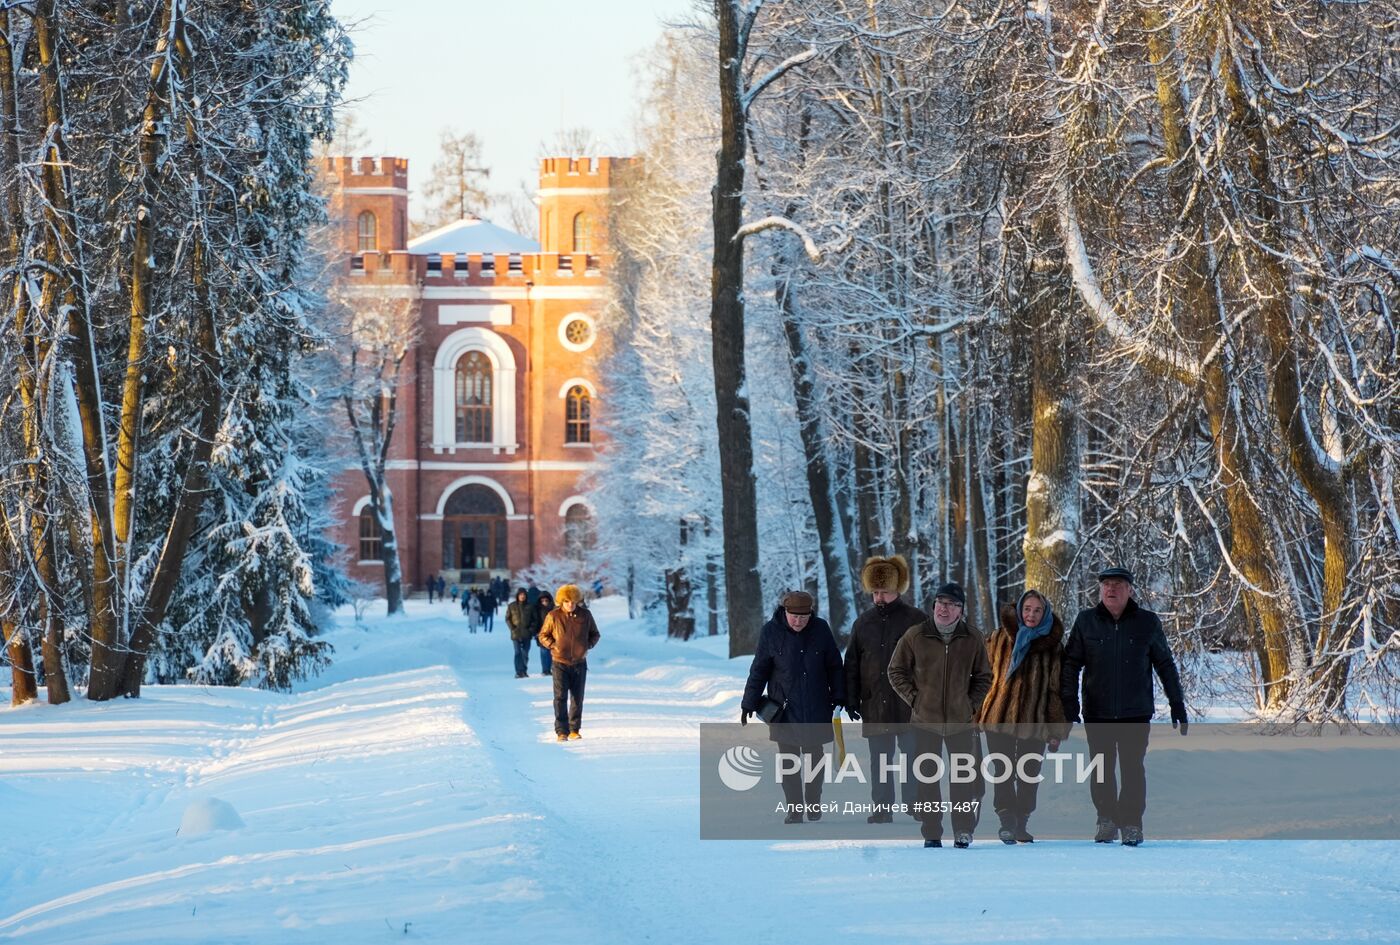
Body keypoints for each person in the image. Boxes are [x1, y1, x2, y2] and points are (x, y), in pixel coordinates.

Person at [1061, 566, 1187, 847]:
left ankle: (1131, 823)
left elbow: (1164, 664)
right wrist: (1070, 703)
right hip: (1097, 711)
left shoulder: (1147, 622)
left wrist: (1176, 702)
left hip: (1135, 712)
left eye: (1117, 584)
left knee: (1132, 769)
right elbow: (1070, 665)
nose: (1111, 589)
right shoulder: (1086, 622)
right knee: (1101, 769)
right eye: (1106, 584)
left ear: (1130, 590)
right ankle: (1106, 819)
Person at [887, 581, 993, 849]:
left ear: (960, 610)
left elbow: (984, 676)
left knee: (962, 780)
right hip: (925, 721)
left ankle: (963, 830)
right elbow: (895, 671)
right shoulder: (915, 635)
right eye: (940, 603)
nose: (944, 609)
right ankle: (931, 832)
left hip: (961, 722)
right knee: (927, 780)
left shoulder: (973, 637)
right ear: (933, 605)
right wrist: (915, 699)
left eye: (951, 604)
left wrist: (970, 705)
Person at [741, 591, 847, 825]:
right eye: (794, 616)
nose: (799, 621)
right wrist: (749, 702)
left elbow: (835, 666)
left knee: (815, 757)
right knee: (788, 760)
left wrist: (840, 696)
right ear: (784, 612)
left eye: (804, 616)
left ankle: (813, 802)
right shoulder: (771, 631)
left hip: (817, 705)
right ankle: (794, 809)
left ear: (811, 614)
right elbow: (759, 669)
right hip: (784, 709)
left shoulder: (820, 629)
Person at [976, 589, 1071, 844]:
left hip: (1034, 720)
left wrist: (1056, 730)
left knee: (1029, 771)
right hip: (999, 715)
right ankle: (1006, 821)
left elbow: (1055, 690)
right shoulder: (998, 638)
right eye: (1027, 609)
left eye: (1037, 610)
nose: (1031, 614)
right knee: (1003, 771)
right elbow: (983, 678)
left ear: (1045, 613)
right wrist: (976, 713)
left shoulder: (1053, 647)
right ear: (1019, 610)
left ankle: (1022, 821)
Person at [843, 555, 928, 823]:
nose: (880, 597)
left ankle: (914, 803)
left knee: (913, 756)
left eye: (885, 592)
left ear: (897, 590)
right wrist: (851, 698)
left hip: (910, 705)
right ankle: (882, 807)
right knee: (880, 760)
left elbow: (930, 662)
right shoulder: (863, 623)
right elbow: (852, 663)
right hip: (874, 703)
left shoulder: (917, 620)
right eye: (875, 592)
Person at [538, 584, 601, 741]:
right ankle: (561, 731)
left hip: (579, 662)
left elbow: (595, 634)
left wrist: (587, 646)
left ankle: (574, 729)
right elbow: (543, 635)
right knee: (560, 697)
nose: (570, 604)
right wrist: (554, 645)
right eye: (566, 601)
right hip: (560, 662)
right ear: (561, 601)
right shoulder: (553, 616)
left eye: (573, 601)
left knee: (577, 697)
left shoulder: (585, 615)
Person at [506, 588, 533, 678]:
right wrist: (512, 628)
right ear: (517, 595)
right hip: (516, 633)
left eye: (524, 594)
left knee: (525, 653)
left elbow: (535, 619)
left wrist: (531, 630)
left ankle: (524, 670)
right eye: (521, 594)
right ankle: (518, 671)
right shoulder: (511, 606)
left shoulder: (530, 606)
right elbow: (507, 618)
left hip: (527, 633)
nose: (522, 596)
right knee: (517, 653)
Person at [533, 591, 555, 674]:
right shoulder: (537, 609)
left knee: (552, 652)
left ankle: (552, 669)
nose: (544, 602)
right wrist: (536, 632)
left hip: (553, 634)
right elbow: (535, 621)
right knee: (544, 652)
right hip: (541, 633)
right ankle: (545, 670)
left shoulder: (553, 609)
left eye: (546, 600)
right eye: (542, 600)